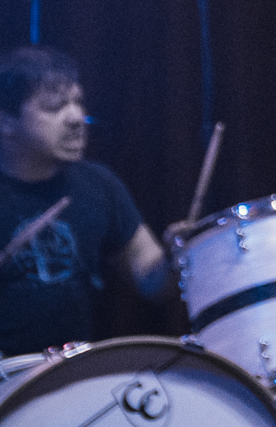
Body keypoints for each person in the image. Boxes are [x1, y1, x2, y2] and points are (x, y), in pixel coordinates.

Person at [0, 45, 169, 357]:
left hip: (78, 371)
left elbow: (151, 281)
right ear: (6, 121)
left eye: (78, 102)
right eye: (54, 107)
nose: (76, 118)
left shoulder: (96, 184)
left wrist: (182, 255)